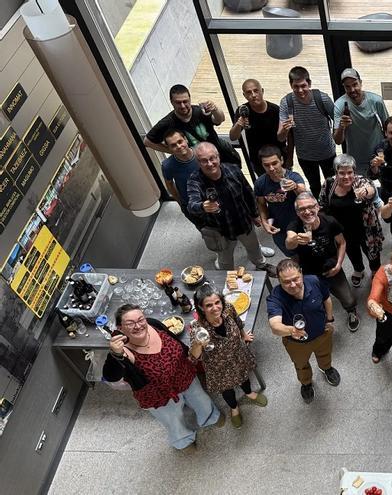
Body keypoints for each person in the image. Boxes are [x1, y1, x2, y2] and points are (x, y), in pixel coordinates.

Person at [103, 304, 223, 452]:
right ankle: (183, 441)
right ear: (120, 328)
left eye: (140, 320)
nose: (138, 326)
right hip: (159, 394)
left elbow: (177, 342)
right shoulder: (122, 350)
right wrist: (115, 354)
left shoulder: (153, 324)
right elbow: (110, 376)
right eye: (130, 323)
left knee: (200, 399)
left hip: (184, 374)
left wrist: (191, 356)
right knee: (173, 418)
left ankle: (210, 417)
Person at [187, 142, 277, 276]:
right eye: (204, 161)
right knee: (225, 259)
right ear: (198, 163)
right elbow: (191, 206)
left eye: (212, 158)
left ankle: (261, 264)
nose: (210, 163)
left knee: (253, 247)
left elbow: (248, 192)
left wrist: (255, 214)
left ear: (218, 157)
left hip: (243, 222)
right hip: (220, 231)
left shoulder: (233, 170)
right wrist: (202, 206)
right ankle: (228, 274)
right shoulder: (195, 180)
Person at [189, 285, 266, 429]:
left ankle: (249, 393)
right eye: (209, 305)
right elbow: (193, 357)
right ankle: (234, 408)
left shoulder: (228, 309)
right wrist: (198, 343)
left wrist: (244, 335)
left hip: (238, 356)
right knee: (227, 391)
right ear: (201, 307)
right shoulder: (197, 328)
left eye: (217, 302)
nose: (215, 308)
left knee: (244, 378)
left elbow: (238, 322)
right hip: (218, 368)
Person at [267, 259, 341, 404]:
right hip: (296, 343)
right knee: (301, 365)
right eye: (286, 282)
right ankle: (306, 383)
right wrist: (291, 330)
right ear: (279, 280)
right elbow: (275, 326)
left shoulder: (314, 281)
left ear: (301, 273)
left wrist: (330, 319)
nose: (292, 285)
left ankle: (326, 368)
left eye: (295, 279)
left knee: (325, 354)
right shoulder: (275, 297)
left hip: (322, 333)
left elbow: (326, 299)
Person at [285, 192, 360, 331]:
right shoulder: (294, 226)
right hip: (309, 273)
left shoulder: (329, 221)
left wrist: (338, 265)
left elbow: (342, 243)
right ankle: (323, 318)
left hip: (331, 267)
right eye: (302, 209)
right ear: (297, 212)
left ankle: (352, 312)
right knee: (314, 301)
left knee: (349, 300)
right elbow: (289, 244)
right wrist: (293, 239)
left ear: (317, 207)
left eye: (310, 207)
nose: (307, 211)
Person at [318, 154, 383, 288]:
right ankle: (358, 270)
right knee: (351, 251)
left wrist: (366, 191)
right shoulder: (329, 183)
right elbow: (322, 204)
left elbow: (371, 189)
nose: (346, 176)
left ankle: (375, 271)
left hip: (365, 227)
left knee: (372, 251)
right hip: (343, 229)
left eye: (350, 172)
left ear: (354, 171)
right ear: (336, 173)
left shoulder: (360, 181)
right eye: (342, 173)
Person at [145, 84, 240, 166]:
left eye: (185, 101)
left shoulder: (200, 111)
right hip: (200, 165)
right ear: (172, 102)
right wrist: (174, 151)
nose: (182, 106)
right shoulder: (168, 122)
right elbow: (147, 141)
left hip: (222, 156)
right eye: (178, 102)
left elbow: (220, 120)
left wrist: (215, 109)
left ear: (190, 99)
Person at [277, 66, 337, 197]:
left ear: (309, 83)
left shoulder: (322, 99)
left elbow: (337, 120)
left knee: (332, 185)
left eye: (303, 86)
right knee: (314, 185)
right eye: (296, 86)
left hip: (327, 152)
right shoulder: (286, 103)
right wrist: (285, 129)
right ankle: (319, 207)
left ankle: (332, 207)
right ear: (291, 85)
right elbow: (280, 137)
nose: (300, 90)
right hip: (305, 156)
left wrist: (336, 135)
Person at [334, 68, 389, 173]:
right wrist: (342, 126)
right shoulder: (339, 105)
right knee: (360, 183)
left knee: (383, 180)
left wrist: (385, 152)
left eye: (355, 84)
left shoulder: (376, 101)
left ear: (361, 83)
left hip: (378, 155)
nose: (352, 90)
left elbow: (387, 127)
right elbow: (337, 141)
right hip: (356, 158)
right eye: (347, 86)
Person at [254, 145, 307, 257]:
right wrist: (265, 222)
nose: (271, 168)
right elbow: (261, 204)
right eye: (267, 165)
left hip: (298, 224)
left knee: (306, 253)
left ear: (281, 160)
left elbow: (305, 196)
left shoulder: (293, 177)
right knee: (291, 254)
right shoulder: (260, 183)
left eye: (274, 163)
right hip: (278, 227)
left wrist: (295, 186)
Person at [229, 79, 285, 178]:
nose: (253, 95)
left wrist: (289, 158)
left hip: (278, 159)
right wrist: (239, 124)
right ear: (244, 95)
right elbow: (233, 137)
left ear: (262, 91)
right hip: (258, 161)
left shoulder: (275, 110)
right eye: (249, 92)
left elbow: (284, 136)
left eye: (256, 91)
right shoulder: (243, 111)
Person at [160, 129, 203, 228]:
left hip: (211, 197)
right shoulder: (167, 166)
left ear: (186, 139)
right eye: (173, 145)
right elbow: (169, 184)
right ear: (169, 148)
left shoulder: (201, 152)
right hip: (190, 203)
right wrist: (180, 202)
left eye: (180, 141)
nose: (179, 146)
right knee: (204, 229)